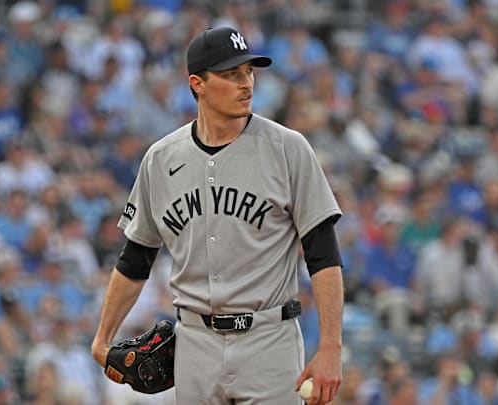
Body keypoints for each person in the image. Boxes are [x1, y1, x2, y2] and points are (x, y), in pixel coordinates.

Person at [91, 26, 344, 405]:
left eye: (249, 72)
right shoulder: (161, 159)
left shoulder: (288, 149)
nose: (246, 84)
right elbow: (135, 257)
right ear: (198, 84)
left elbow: (323, 255)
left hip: (269, 341)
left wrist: (331, 348)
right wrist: (102, 337)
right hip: (195, 344)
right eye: (231, 75)